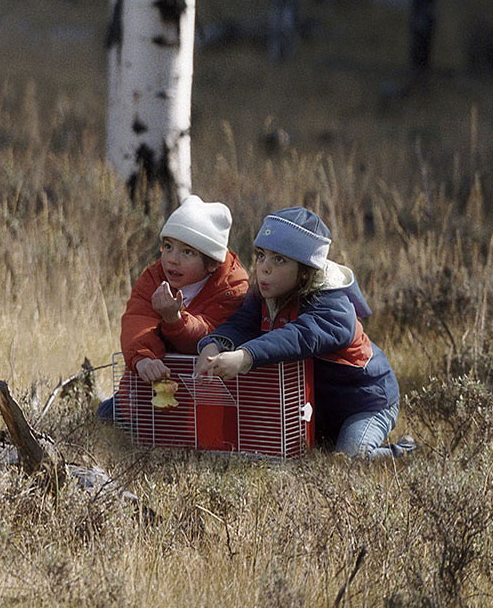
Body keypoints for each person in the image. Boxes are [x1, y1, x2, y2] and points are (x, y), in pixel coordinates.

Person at [194, 207, 415, 459]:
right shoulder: (266, 294)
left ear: (306, 271)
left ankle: (401, 453)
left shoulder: (333, 304)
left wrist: (245, 356)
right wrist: (214, 345)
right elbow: (241, 325)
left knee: (350, 458)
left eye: (279, 259)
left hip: (366, 402)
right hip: (319, 406)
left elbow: (299, 336)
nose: (263, 268)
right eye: (261, 255)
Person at [97, 194, 248, 422]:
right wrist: (143, 358)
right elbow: (138, 320)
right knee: (107, 415)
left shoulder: (232, 287)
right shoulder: (154, 277)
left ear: (212, 263)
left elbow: (211, 336)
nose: (172, 260)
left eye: (187, 252)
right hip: (151, 387)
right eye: (168, 246)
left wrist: (174, 319)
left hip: (205, 394)